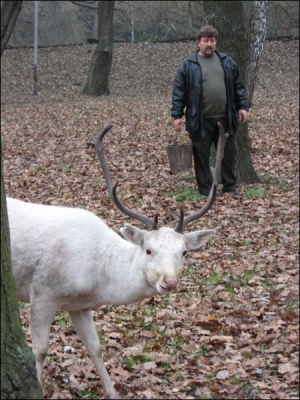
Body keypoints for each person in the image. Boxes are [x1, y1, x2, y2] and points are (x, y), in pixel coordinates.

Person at [171, 25, 249, 197]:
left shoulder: (227, 62)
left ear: (216, 43)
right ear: (198, 42)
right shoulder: (188, 66)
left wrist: (243, 107)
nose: (209, 44)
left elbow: (239, 87)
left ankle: (229, 187)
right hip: (200, 120)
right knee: (201, 156)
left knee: (229, 154)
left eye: (212, 41)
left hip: (226, 118)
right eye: (205, 40)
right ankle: (206, 191)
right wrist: (177, 115)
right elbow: (179, 92)